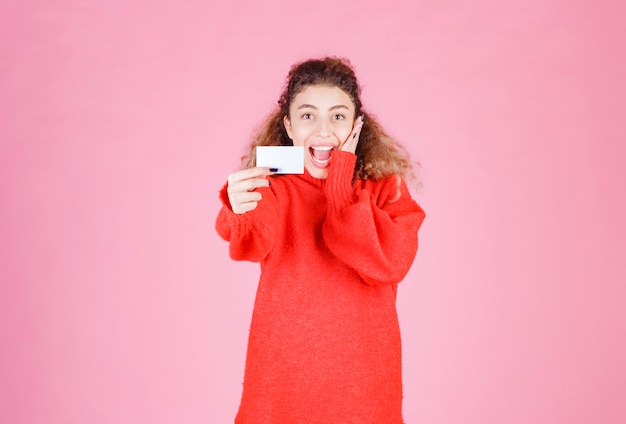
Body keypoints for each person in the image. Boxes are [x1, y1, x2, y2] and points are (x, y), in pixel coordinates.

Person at [215, 57, 425, 423]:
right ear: (289, 126)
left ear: (357, 126)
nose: (324, 130)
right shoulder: (275, 184)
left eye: (338, 116)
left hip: (363, 385)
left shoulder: (385, 189)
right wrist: (235, 204)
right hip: (282, 384)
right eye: (308, 116)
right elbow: (247, 238)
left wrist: (340, 182)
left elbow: (391, 262)